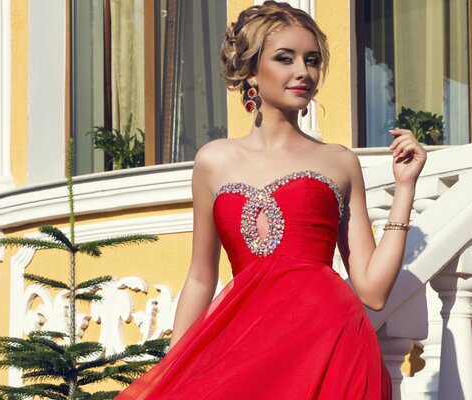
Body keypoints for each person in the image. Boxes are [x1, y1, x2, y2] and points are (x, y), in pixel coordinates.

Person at [115, 1, 426, 399]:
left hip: (330, 344)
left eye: (312, 60)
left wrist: (404, 188)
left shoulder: (339, 161)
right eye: (285, 58)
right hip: (247, 344)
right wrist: (172, 371)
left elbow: (373, 291)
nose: (304, 72)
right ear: (250, 70)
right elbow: (200, 276)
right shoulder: (214, 160)